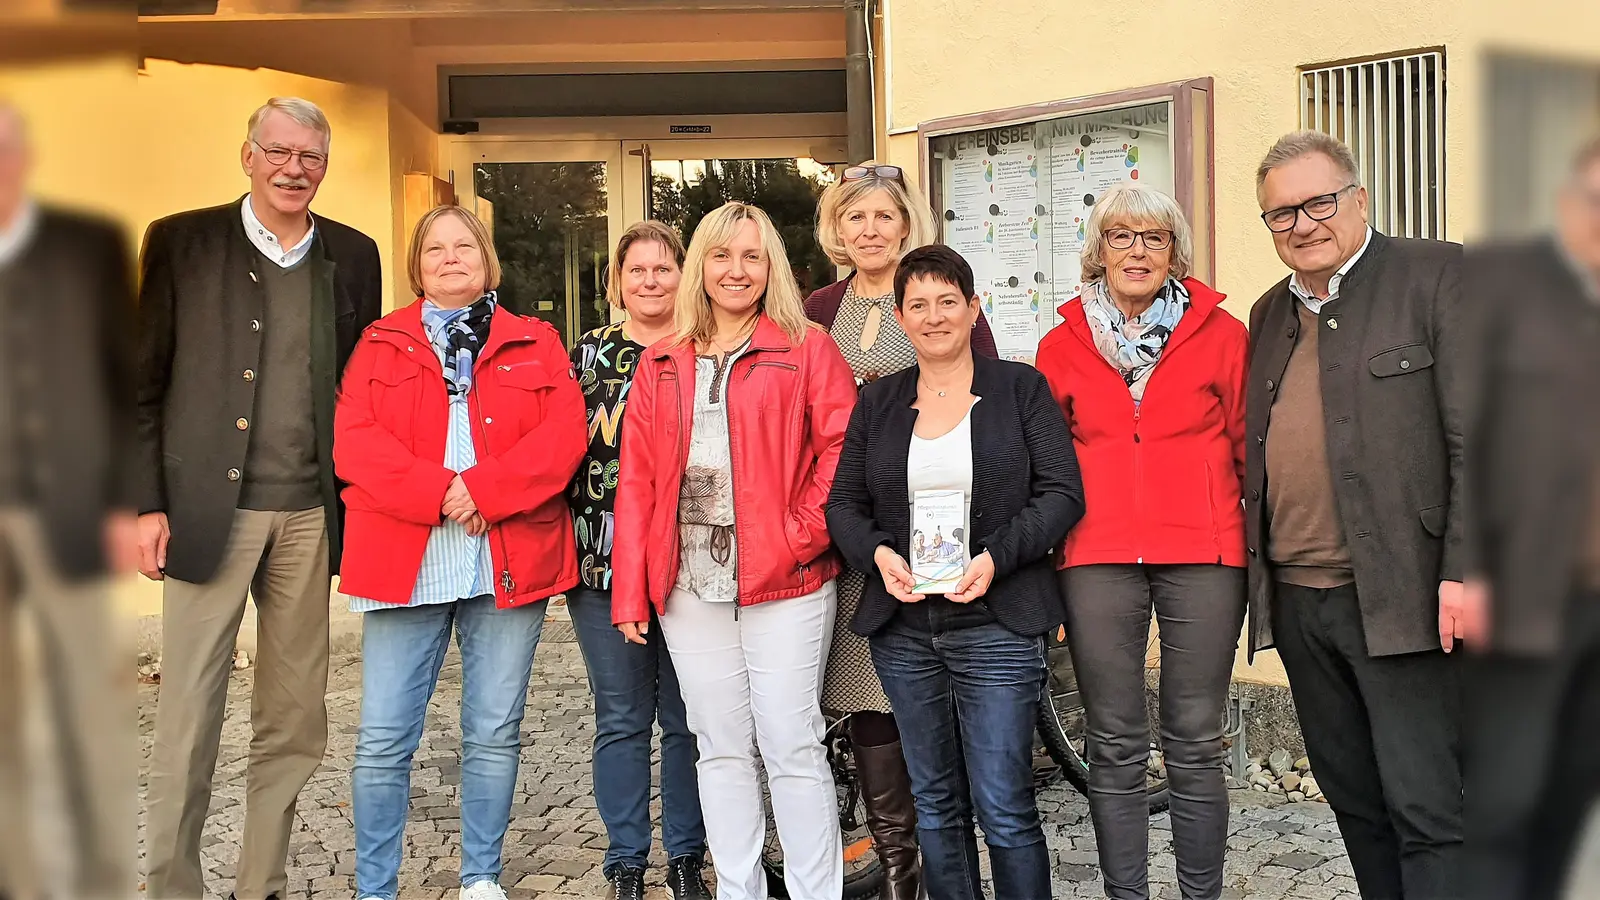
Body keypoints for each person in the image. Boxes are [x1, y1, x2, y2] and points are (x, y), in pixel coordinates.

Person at [138, 97, 383, 900]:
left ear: (324, 163)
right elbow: (142, 384)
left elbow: (360, 392)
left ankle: (261, 883)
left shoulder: (353, 253)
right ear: (248, 155)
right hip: (208, 514)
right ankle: (173, 885)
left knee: (293, 717)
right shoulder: (181, 241)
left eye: (310, 156)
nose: (293, 169)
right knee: (189, 714)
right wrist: (145, 504)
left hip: (312, 515)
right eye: (278, 152)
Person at [335, 204, 586, 900]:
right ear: (417, 266)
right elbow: (354, 442)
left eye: (464, 246)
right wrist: (440, 492)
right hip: (403, 561)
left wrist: (486, 490)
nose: (450, 258)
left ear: (486, 259)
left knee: (492, 732)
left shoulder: (535, 340)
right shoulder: (379, 342)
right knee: (383, 737)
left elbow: (563, 437)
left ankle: (481, 877)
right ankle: (375, 888)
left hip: (502, 556)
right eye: (435, 249)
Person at [612, 201, 857, 900]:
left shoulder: (806, 347)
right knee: (718, 748)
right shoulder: (663, 359)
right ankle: (739, 890)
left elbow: (842, 449)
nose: (736, 269)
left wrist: (798, 534)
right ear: (701, 266)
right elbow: (637, 481)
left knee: (791, 743)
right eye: (721, 255)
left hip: (789, 578)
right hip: (689, 584)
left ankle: (816, 892)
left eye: (751, 256)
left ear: (770, 265)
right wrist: (632, 585)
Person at [826, 244, 1084, 900]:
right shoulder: (879, 402)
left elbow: (1061, 493)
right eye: (918, 305)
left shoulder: (1019, 389)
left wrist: (997, 557)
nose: (934, 316)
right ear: (901, 318)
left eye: (948, 301)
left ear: (974, 309)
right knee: (936, 805)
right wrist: (879, 554)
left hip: (997, 622)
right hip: (904, 631)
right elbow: (844, 506)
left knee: (1003, 804)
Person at [1246, 130, 1464, 899]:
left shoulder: (1437, 275)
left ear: (1360, 198)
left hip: (1405, 596)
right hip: (1301, 605)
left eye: (1318, 202)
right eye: (1281, 214)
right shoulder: (1268, 313)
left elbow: (1484, 441)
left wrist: (1466, 574)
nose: (1302, 224)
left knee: (1428, 807)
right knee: (1355, 803)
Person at [1034, 182, 1248, 900]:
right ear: (1098, 251)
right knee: (1115, 744)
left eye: (1152, 237)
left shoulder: (1223, 334)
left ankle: (1200, 894)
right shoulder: (1059, 345)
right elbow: (1050, 465)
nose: (1136, 250)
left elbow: (1249, 447)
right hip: (1095, 557)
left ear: (1174, 251)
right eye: (1120, 236)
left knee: (1193, 742)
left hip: (1205, 553)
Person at [803, 162, 997, 898]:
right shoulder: (819, 306)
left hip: (938, 525)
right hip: (851, 532)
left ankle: (947, 854)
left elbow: (990, 409)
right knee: (865, 697)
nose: (870, 230)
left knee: (930, 691)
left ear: (907, 223)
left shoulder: (937, 294)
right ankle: (898, 870)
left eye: (883, 216)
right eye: (855, 218)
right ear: (837, 230)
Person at [0, 101, 136, 900]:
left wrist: (126, 500)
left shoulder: (87, 246)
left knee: (90, 708)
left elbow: (125, 380)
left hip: (72, 510)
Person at [1462, 136, 1600, 900]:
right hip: (1527, 591)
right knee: (1503, 799)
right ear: (1566, 205)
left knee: (1573, 792)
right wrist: (1470, 569)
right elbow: (1462, 440)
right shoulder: (1510, 291)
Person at [567, 220, 710, 900]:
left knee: (688, 719)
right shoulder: (587, 355)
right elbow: (558, 453)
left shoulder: (704, 349)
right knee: (621, 718)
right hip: (603, 562)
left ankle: (686, 856)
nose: (651, 281)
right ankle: (626, 860)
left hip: (691, 565)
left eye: (663, 268)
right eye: (637, 270)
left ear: (684, 275)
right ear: (616, 281)